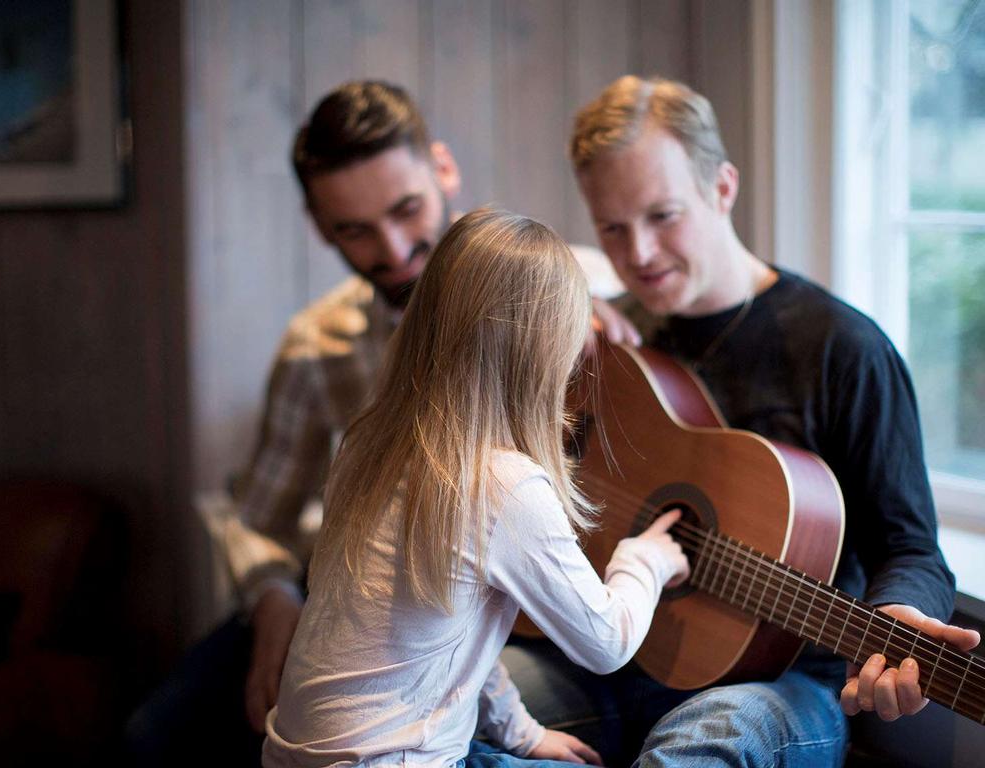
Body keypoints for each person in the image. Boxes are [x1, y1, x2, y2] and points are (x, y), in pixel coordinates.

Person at [125, 80, 617, 765]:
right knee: (158, 731)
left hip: (504, 599)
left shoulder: (574, 286)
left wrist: (591, 336)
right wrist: (272, 603)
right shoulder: (315, 348)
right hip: (342, 598)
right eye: (353, 230)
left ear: (443, 169)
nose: (391, 248)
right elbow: (257, 519)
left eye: (406, 210)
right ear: (318, 225)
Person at [501, 74, 981, 767]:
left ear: (722, 188)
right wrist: (551, 365)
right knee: (448, 704)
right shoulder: (613, 345)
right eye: (612, 228)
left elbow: (910, 546)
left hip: (783, 680)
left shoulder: (842, 347)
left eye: (663, 216)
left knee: (706, 741)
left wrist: (897, 618)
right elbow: (532, 493)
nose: (636, 254)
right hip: (615, 652)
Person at [262, 207, 691, 768]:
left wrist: (521, 733)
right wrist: (646, 560)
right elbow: (607, 642)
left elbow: (453, 628)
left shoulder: (367, 445)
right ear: (541, 355)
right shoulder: (503, 485)